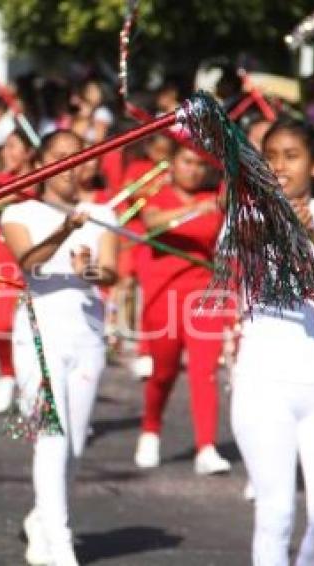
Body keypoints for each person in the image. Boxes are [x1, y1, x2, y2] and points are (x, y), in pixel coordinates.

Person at [1, 129, 118, 566]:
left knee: (75, 448)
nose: (70, 166)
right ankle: (62, 545)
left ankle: (40, 520)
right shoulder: (19, 211)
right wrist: (64, 229)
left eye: (77, 158)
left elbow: (111, 272)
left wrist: (90, 270)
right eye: (59, 157)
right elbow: (28, 262)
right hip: (37, 333)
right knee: (52, 439)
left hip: (87, 334)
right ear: (41, 164)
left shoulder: (101, 212)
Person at [231, 117, 314, 566]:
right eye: (271, 156)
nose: (279, 166)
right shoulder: (248, 213)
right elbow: (248, 241)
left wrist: (313, 228)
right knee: (275, 513)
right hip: (263, 383)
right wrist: (287, 219)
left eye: (292, 156)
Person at [132, 145, 232, 474]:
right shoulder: (157, 196)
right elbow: (152, 223)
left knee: (204, 371)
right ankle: (150, 428)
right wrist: (193, 210)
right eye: (187, 162)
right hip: (164, 296)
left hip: (203, 296)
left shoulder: (215, 200)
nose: (193, 170)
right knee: (163, 371)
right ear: (172, 164)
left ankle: (206, 447)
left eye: (200, 164)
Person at [0, 128, 35, 413]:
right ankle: (6, 373)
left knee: (29, 323)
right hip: (2, 253)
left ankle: (30, 382)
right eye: (6, 147)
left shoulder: (42, 178)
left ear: (29, 151)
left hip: (31, 252)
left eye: (14, 146)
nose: (7, 152)